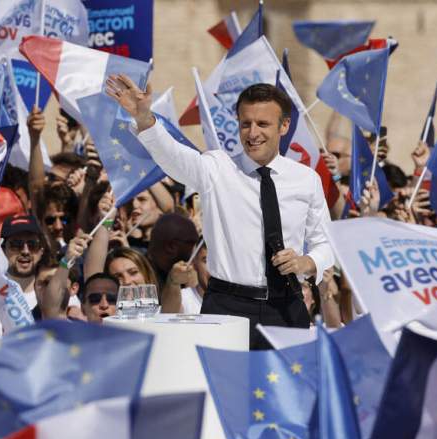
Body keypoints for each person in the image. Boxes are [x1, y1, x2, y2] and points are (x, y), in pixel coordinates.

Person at [107, 77, 334, 348]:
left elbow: (326, 245)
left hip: (287, 305)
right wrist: (144, 118)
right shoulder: (216, 167)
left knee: (286, 389)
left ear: (284, 126)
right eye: (245, 123)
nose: (252, 133)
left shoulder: (306, 179)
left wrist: (306, 263)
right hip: (228, 306)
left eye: (263, 124)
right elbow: (173, 157)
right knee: (227, 388)